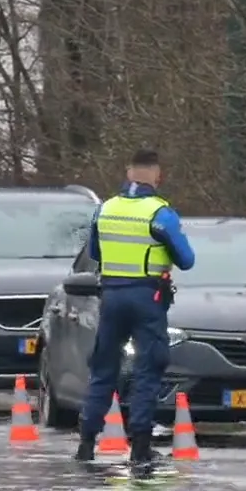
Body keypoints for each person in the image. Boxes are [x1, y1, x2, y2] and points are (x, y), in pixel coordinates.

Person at [76, 149, 197, 467]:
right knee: (148, 368)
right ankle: (140, 446)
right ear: (157, 175)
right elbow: (187, 260)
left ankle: (87, 443)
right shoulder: (161, 214)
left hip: (112, 296)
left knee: (103, 368)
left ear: (129, 173)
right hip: (147, 298)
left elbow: (95, 252)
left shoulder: (104, 210)